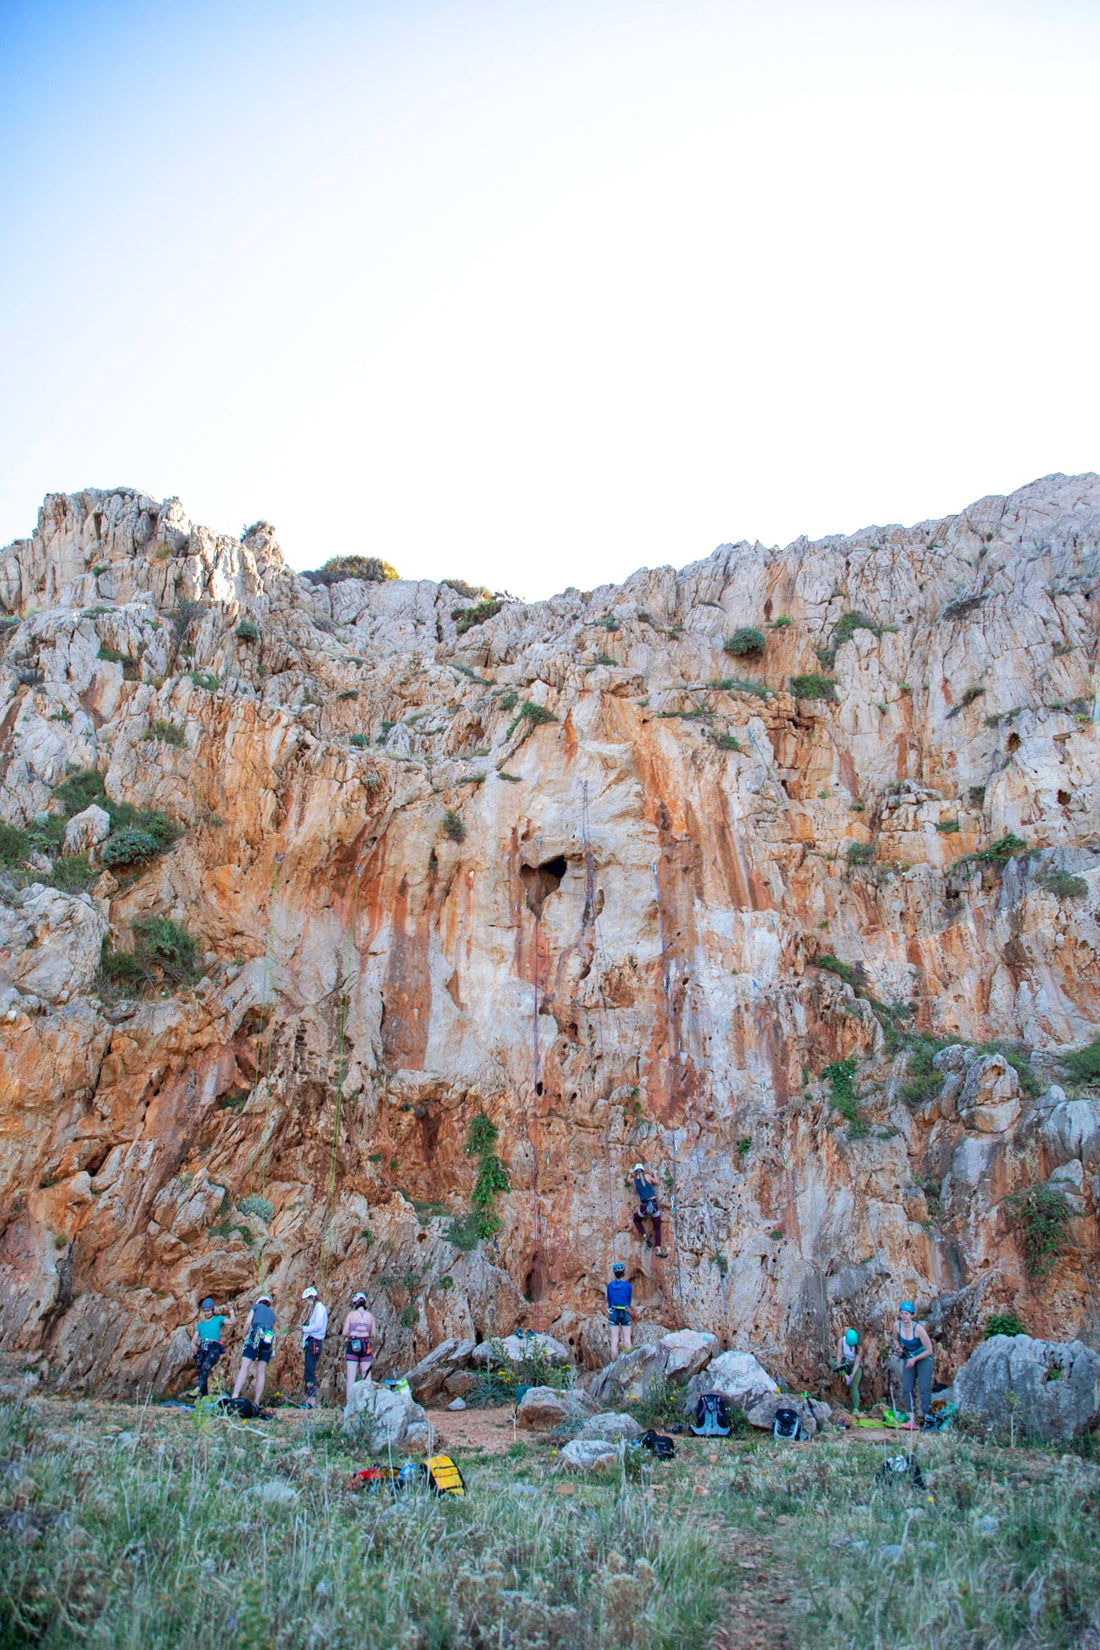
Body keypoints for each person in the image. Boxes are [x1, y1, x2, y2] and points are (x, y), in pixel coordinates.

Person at [232, 1293, 276, 1405]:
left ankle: (235, 1396)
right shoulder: (272, 1314)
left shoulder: (255, 1307)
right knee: (261, 1370)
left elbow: (247, 1323)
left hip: (256, 1333)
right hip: (268, 1337)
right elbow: (273, 1330)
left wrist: (243, 1335)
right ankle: (256, 1401)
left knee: (245, 1366)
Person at [896, 1301, 934, 1428]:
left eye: (906, 1314)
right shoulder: (897, 1326)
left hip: (923, 1358)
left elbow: (929, 1350)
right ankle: (911, 1420)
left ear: (912, 1315)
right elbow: (895, 1340)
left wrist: (915, 1359)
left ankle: (927, 1418)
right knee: (907, 1387)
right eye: (902, 1313)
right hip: (909, 1357)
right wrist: (899, 1348)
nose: (904, 1316)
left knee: (924, 1388)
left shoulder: (919, 1330)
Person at [191, 1296, 235, 1395]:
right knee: (201, 1370)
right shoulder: (200, 1325)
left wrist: (231, 1310)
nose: (207, 1313)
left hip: (213, 1347)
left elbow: (232, 1322)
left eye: (209, 1310)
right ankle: (204, 1395)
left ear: (213, 1309)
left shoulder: (218, 1319)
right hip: (203, 1347)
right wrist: (193, 1344)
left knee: (206, 1366)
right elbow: (194, 1338)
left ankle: (197, 1389)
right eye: (205, 1311)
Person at [342, 1292, 376, 1402]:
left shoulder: (351, 1315)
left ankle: (349, 1404)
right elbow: (373, 1334)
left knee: (351, 1377)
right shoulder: (370, 1316)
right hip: (365, 1345)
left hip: (353, 1344)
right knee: (366, 1377)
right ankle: (368, 1404)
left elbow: (345, 1332)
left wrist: (354, 1332)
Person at [630, 1161, 668, 1257]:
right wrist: (654, 1174)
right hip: (654, 1205)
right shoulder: (647, 1176)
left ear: (635, 1171)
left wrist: (631, 1173)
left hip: (644, 1206)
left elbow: (628, 1179)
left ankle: (644, 1235)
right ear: (643, 1170)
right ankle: (658, 1249)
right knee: (657, 1228)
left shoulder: (634, 1180)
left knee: (636, 1220)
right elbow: (656, 1182)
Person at [299, 1286, 328, 1408]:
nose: (307, 1303)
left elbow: (317, 1326)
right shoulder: (317, 1308)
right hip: (312, 1342)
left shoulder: (320, 1308)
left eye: (307, 1300)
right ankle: (309, 1399)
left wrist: (303, 1329)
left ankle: (311, 1400)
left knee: (310, 1371)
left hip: (315, 1342)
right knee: (309, 1370)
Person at [830, 1328, 863, 1412]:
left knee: (854, 1386)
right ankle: (844, 1375)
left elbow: (857, 1363)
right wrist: (840, 1365)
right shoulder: (842, 1341)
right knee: (831, 1362)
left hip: (854, 1365)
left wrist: (852, 1375)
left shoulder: (859, 1348)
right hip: (845, 1362)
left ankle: (856, 1408)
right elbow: (839, 1355)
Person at [606, 1261, 633, 1357]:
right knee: (627, 1339)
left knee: (614, 1340)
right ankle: (629, 1364)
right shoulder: (628, 1286)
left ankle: (613, 1364)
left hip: (613, 1312)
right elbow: (629, 1300)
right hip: (625, 1312)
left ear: (614, 1273)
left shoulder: (609, 1286)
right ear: (623, 1272)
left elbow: (609, 1300)